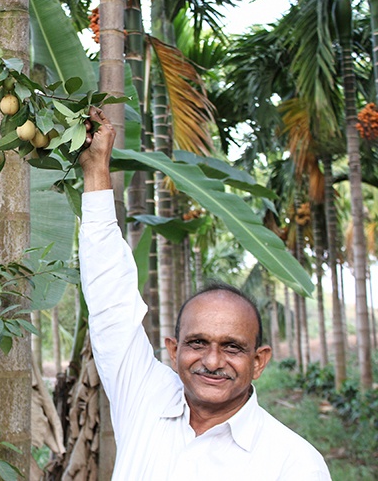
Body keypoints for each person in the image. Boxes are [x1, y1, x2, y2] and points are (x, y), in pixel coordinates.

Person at [78, 107, 331, 480]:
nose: (212, 361)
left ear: (259, 361)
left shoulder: (293, 464)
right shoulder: (145, 398)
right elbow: (110, 303)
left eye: (232, 347)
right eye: (197, 342)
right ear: (173, 349)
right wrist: (97, 169)